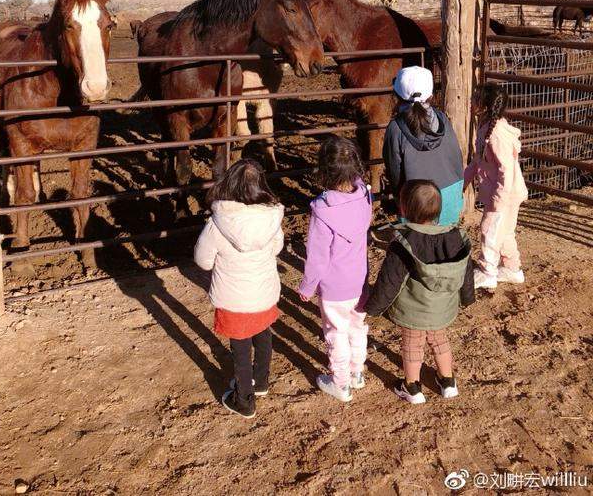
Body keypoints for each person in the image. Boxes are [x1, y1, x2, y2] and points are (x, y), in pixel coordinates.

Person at [366, 180, 474, 404]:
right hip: (442, 308)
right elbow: (465, 271)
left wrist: (374, 307)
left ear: (404, 209)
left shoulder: (404, 242)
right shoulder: (455, 237)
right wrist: (467, 297)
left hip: (413, 310)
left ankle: (412, 387)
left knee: (412, 345)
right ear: (439, 209)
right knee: (439, 340)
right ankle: (448, 382)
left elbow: (390, 280)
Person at [194, 159, 284, 419]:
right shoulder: (272, 218)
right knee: (263, 335)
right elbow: (277, 247)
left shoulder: (218, 223)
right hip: (264, 293)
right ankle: (261, 381)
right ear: (261, 186)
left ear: (229, 185)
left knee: (241, 349)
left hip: (234, 298)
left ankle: (244, 400)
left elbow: (203, 260)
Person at [298, 135, 373, 402]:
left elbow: (317, 257)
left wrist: (307, 286)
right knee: (357, 326)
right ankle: (357, 372)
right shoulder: (364, 196)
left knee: (335, 332)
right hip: (360, 278)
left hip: (333, 287)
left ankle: (340, 383)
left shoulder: (322, 210)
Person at [464, 83, 528, 290]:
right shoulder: (487, 127)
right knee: (505, 232)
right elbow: (477, 161)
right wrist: (462, 183)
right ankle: (512, 269)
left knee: (489, 229)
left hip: (504, 194)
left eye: (475, 98)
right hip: (506, 192)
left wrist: (499, 199)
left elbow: (506, 170)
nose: (471, 101)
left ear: (483, 105)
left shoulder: (497, 133)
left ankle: (487, 272)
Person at [383, 65, 464, 225]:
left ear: (397, 96)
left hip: (418, 201)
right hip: (451, 196)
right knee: (443, 240)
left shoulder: (395, 128)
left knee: (419, 244)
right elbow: (456, 157)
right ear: (431, 96)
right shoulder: (442, 119)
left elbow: (394, 170)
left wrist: (400, 199)